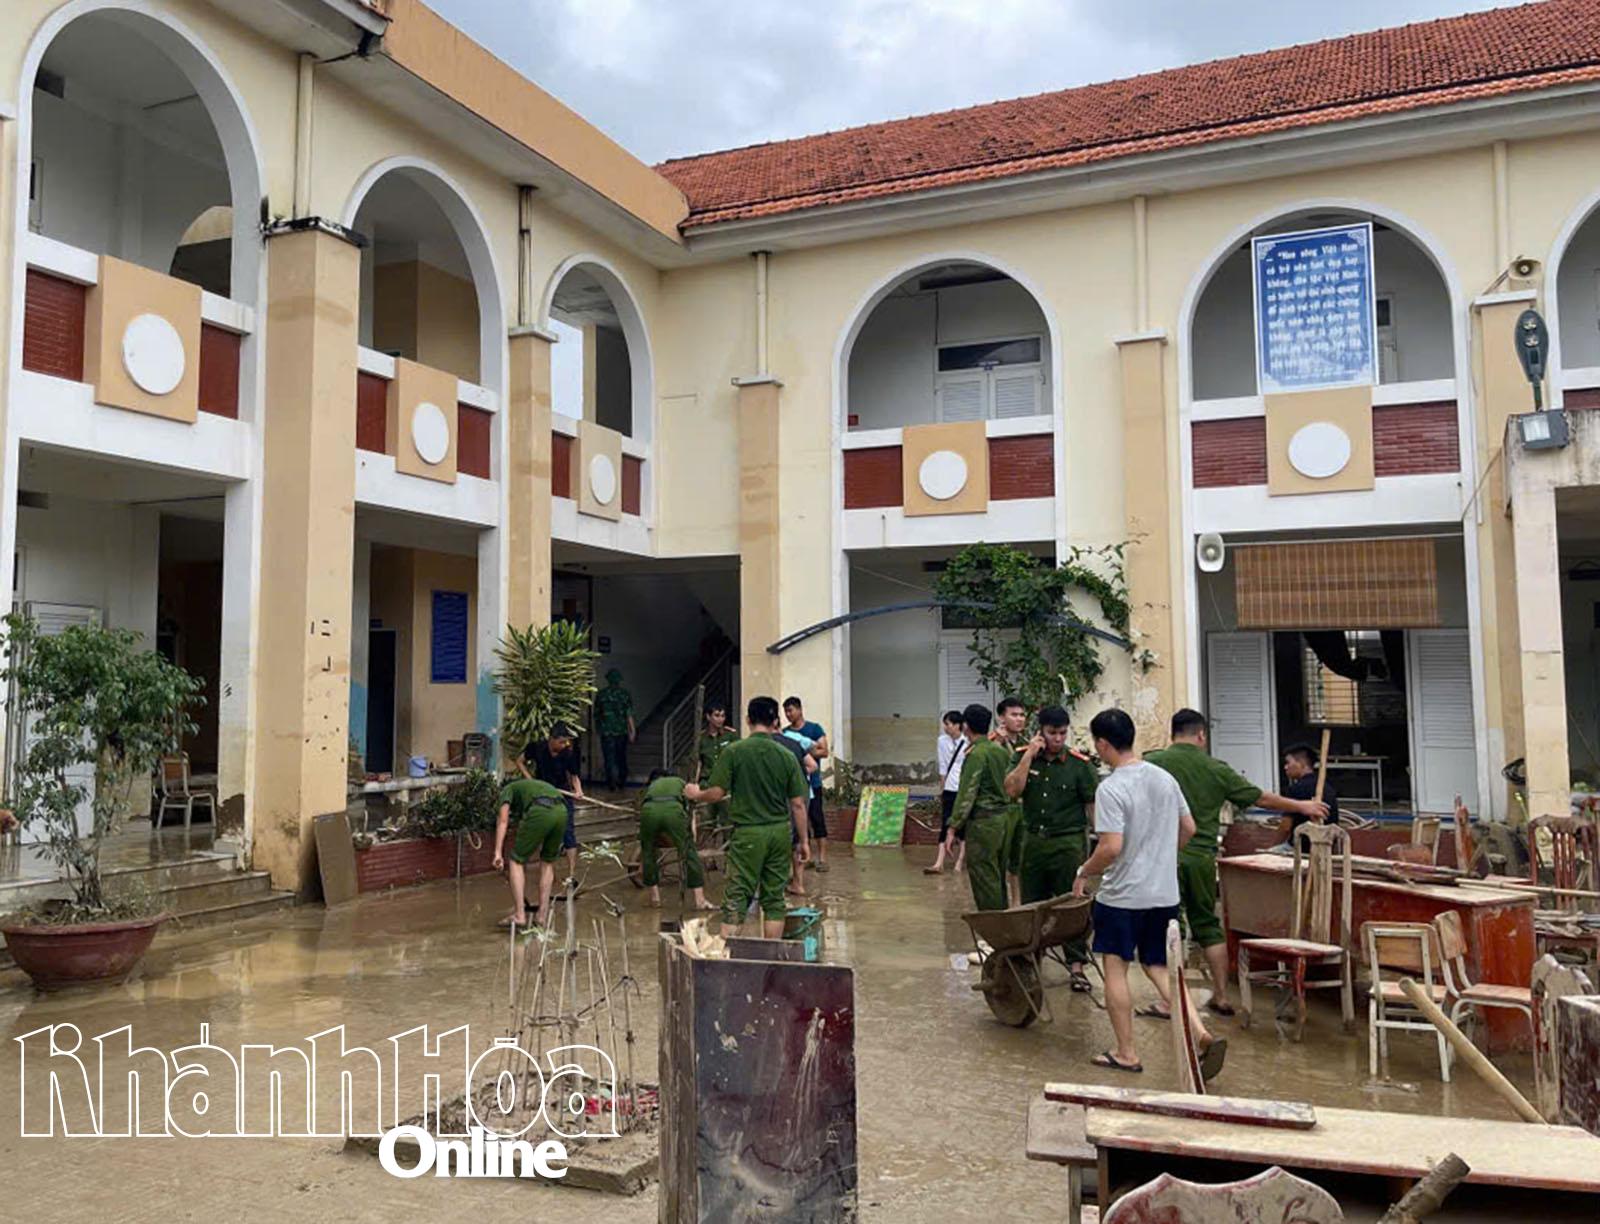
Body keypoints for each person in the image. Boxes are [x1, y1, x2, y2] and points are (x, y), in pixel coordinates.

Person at [1145, 709, 1329, 1015]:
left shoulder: (1152, 764)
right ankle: (1221, 995)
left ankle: (1170, 1001)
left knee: (1169, 925)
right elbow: (1259, 798)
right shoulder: (1216, 769)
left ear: (1172, 732)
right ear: (1201, 735)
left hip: (1162, 858)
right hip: (1202, 856)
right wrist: (1302, 805)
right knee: (1207, 924)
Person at [1073, 708, 1224, 1079]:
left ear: (1103, 744)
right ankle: (1201, 1033)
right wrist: (1162, 855)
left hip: (1124, 896)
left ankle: (1126, 1052)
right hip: (1163, 893)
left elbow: (1110, 847)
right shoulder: (1163, 778)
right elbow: (1188, 827)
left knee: (1115, 967)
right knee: (1160, 967)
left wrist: (1083, 872)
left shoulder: (1111, 787)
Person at [685, 695, 809, 938]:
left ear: (748, 719)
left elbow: (717, 793)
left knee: (737, 896)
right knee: (774, 898)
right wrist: (803, 841)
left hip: (748, 833)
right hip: (779, 832)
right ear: (776, 721)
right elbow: (798, 804)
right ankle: (771, 959)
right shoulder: (786, 756)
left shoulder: (734, 752)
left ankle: (730, 961)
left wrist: (695, 793)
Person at [1005, 705, 1097, 990]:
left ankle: (1077, 966)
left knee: (1073, 905)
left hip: (1068, 843)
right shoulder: (1023, 758)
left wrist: (1100, 844)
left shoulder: (1079, 764)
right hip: (1034, 842)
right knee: (1034, 905)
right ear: (1040, 732)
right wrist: (1029, 756)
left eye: (1062, 733)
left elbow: (1092, 806)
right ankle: (1033, 962)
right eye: (1052, 733)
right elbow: (1012, 790)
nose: (1058, 738)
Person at [949, 703, 1020, 912]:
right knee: (997, 874)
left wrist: (953, 826)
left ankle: (994, 929)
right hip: (1005, 819)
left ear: (965, 726)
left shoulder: (977, 754)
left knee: (984, 876)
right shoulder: (1000, 752)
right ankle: (1004, 925)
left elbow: (967, 793)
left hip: (984, 822)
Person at [492, 776, 567, 929]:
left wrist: (498, 853)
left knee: (516, 861)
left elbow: (503, 821)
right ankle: (542, 916)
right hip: (562, 811)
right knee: (547, 862)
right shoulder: (529, 788)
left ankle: (520, 915)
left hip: (541, 810)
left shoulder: (507, 791)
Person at [637, 768, 712, 911]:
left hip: (648, 811)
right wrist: (692, 836)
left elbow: (640, 805)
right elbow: (690, 813)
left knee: (648, 852)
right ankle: (700, 900)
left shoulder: (653, 785)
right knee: (689, 852)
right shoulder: (683, 784)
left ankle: (655, 898)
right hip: (673, 811)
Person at [519, 721, 583, 880]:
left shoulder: (568, 753)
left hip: (563, 794)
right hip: (542, 795)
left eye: (566, 742)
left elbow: (574, 776)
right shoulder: (537, 748)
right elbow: (519, 761)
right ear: (551, 739)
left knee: (569, 834)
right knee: (546, 833)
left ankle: (571, 875)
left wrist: (578, 791)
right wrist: (530, 780)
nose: (564, 745)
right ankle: (548, 874)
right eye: (561, 742)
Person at [782, 696, 831, 872]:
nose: (788, 714)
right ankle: (804, 857)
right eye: (786, 711)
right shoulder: (785, 733)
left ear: (800, 710)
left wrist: (804, 751)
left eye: (791, 710)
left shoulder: (814, 728)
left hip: (813, 782)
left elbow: (824, 751)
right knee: (799, 823)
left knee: (817, 819)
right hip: (795, 785)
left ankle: (822, 858)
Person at [994, 696, 1029, 906]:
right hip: (1001, 809)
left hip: (1023, 809)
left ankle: (1017, 904)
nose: (1019, 719)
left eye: (1022, 715)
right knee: (1000, 861)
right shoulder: (992, 744)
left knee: (1018, 862)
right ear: (1002, 718)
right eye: (1014, 715)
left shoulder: (1027, 745)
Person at [927, 710, 968, 875]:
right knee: (946, 822)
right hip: (950, 788)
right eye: (944, 724)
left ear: (958, 725)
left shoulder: (968, 741)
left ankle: (960, 861)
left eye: (948, 724)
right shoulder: (942, 741)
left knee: (962, 826)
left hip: (964, 788)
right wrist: (942, 789)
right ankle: (939, 862)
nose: (945, 727)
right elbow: (943, 766)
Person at [1279, 743, 1341, 842]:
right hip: (1327, 845)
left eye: (1288, 763)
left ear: (1301, 764)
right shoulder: (1328, 787)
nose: (1285, 767)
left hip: (1300, 849)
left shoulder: (1296, 789)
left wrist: (1272, 848)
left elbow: (1285, 827)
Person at [695, 703, 739, 833]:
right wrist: (695, 784)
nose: (720, 719)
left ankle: (727, 851)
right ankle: (706, 850)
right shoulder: (701, 739)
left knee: (728, 822)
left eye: (723, 716)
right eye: (717, 715)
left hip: (726, 784)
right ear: (708, 717)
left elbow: (737, 759)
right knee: (706, 821)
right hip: (707, 783)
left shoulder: (730, 736)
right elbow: (697, 763)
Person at [595, 668, 635, 790]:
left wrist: (599, 730)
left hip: (606, 732)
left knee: (609, 759)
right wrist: (632, 731)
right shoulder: (624, 695)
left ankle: (611, 784)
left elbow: (597, 715)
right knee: (621, 757)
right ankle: (621, 782)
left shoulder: (601, 695)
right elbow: (629, 714)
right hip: (621, 732)